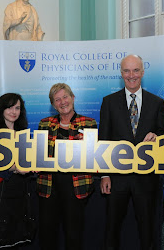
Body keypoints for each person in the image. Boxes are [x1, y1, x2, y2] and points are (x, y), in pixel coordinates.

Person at [99, 54, 164, 250]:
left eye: (135, 70)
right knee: (112, 227)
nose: (131, 75)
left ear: (143, 72)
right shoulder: (109, 102)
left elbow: (163, 134)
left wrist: (157, 135)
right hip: (117, 176)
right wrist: (105, 174)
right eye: (127, 71)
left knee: (147, 228)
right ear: (121, 74)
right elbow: (103, 140)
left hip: (146, 178)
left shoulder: (157, 102)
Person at [37, 83, 97, 250]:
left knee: (74, 234)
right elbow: (40, 154)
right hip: (49, 186)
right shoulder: (44, 124)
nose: (62, 102)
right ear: (53, 104)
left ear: (73, 98)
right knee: (48, 235)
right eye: (57, 99)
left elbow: (93, 156)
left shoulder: (88, 123)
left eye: (65, 97)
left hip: (76, 187)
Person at [0, 93, 35, 249]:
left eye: (17, 108)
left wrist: (33, 168)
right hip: (1, 193)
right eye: (9, 107)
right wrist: (13, 168)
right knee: (0, 237)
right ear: (1, 110)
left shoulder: (24, 134)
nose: (13, 111)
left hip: (21, 192)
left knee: (19, 237)